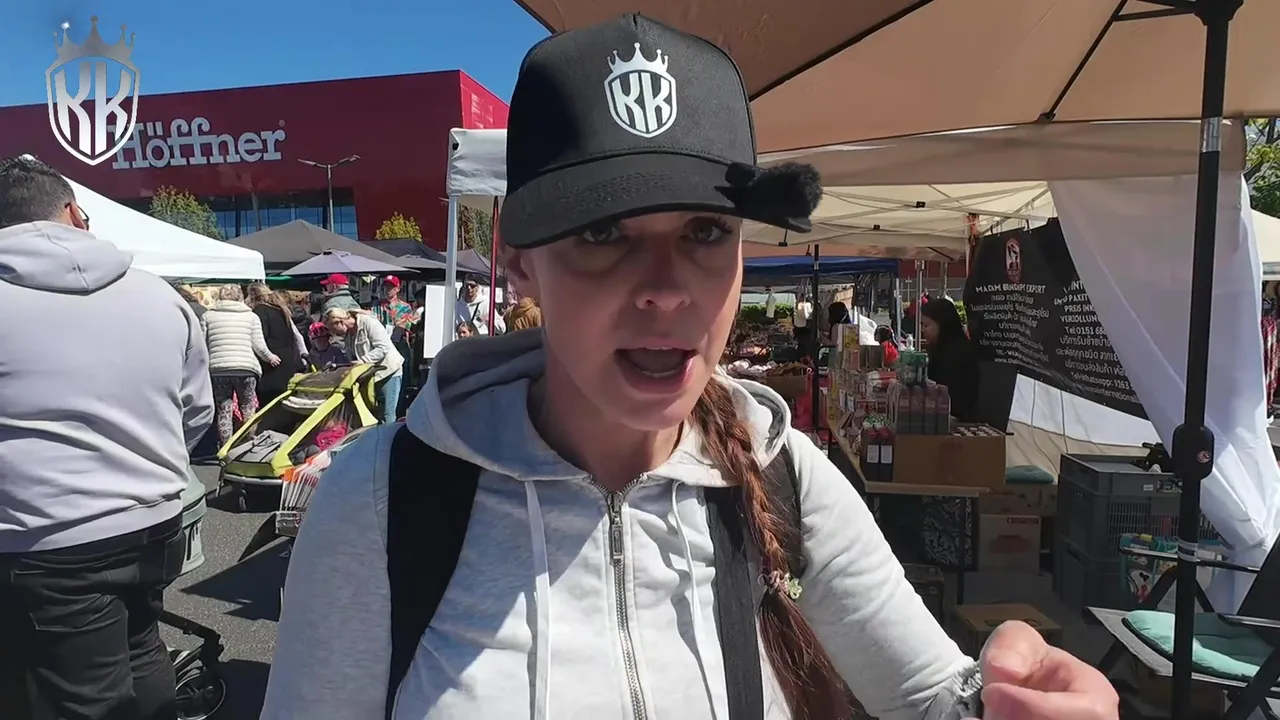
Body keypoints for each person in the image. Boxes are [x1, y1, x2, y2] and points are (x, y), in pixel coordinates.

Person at [262, 16, 1117, 720]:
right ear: (519, 262)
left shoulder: (787, 477)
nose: (667, 290)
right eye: (604, 233)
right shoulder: (384, 500)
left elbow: (931, 698)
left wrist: (1007, 700)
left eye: (706, 233)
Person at [0, 155, 215, 719]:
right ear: (75, 212)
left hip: (46, 536)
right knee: (142, 649)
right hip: (154, 518)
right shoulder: (160, 295)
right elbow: (196, 412)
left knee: (79, 692)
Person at [202, 284, 279, 447]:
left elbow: (202, 343)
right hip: (246, 368)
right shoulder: (251, 316)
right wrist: (270, 357)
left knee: (224, 409)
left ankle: (225, 447)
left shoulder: (208, 316)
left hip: (218, 369)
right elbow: (259, 345)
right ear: (240, 296)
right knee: (248, 407)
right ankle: (249, 444)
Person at [324, 307, 404, 423]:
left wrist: (363, 360)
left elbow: (383, 348)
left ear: (340, 322)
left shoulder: (369, 323)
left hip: (388, 372)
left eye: (334, 330)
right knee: (375, 413)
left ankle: (390, 434)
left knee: (388, 414)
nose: (335, 334)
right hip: (371, 376)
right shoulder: (348, 334)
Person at [919, 297, 981, 422]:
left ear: (942, 325)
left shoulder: (958, 353)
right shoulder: (940, 349)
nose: (922, 330)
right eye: (922, 325)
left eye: (926, 325)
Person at [247, 282, 305, 406]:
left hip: (272, 365)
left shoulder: (259, 311)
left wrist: (267, 356)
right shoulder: (281, 310)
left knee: (270, 404)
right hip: (287, 363)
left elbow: (259, 339)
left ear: (252, 296)